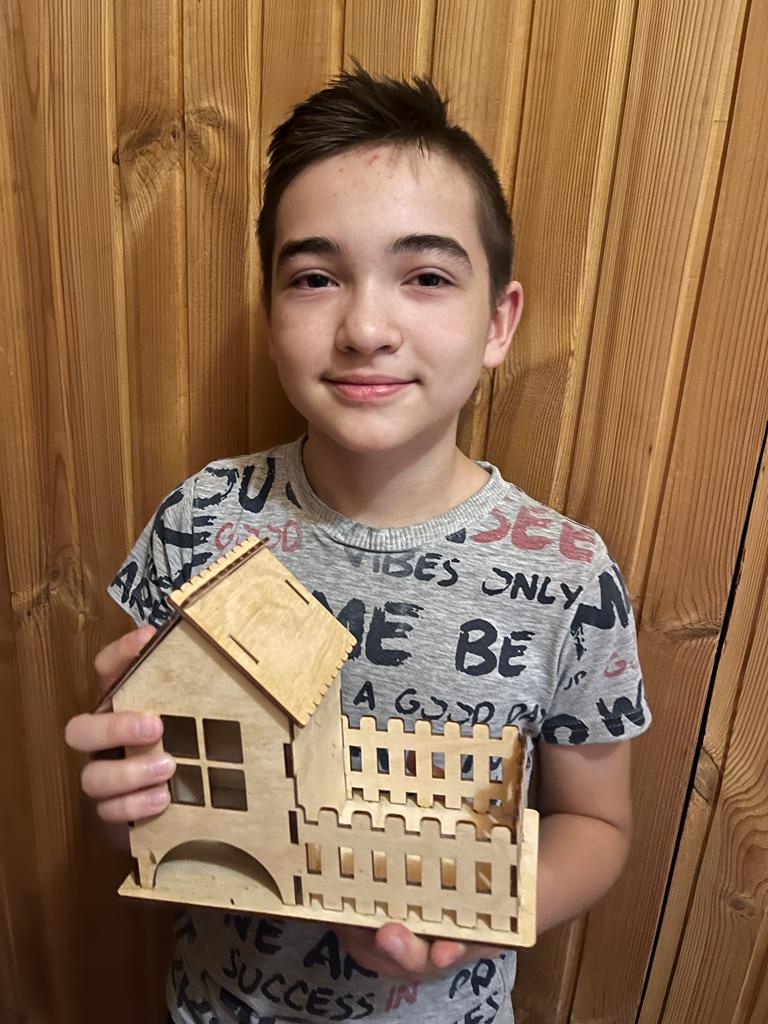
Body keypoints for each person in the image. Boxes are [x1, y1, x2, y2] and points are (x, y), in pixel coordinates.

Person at [65, 64, 652, 1024]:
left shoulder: (569, 576)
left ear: (498, 322)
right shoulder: (199, 521)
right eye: (314, 277)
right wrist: (118, 801)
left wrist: (476, 914)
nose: (366, 327)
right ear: (271, 315)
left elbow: (596, 821)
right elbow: (142, 809)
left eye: (427, 277)